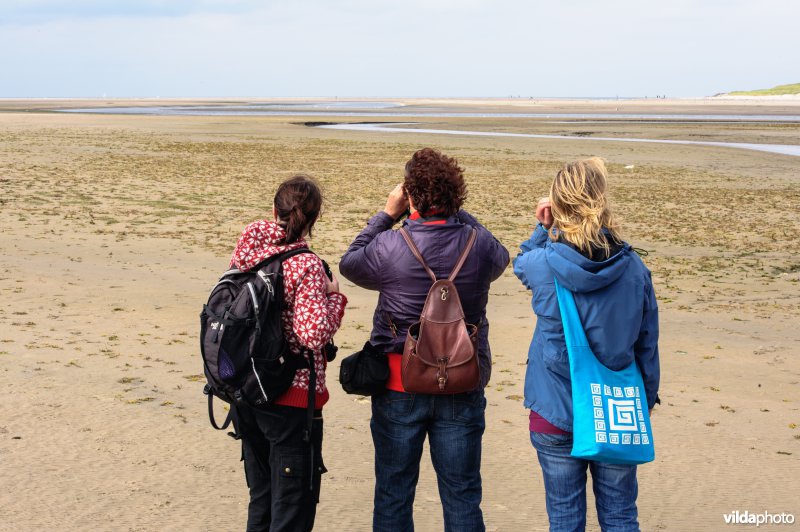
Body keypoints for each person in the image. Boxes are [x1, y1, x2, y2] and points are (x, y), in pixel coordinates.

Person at [339, 147, 509, 532]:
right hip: (462, 382)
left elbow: (350, 263)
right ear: (456, 195)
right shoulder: (477, 245)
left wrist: (386, 213)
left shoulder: (390, 246)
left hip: (400, 384)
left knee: (394, 494)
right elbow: (500, 255)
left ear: (410, 197)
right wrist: (456, 213)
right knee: (462, 495)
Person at [513, 157, 660, 532]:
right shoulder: (634, 270)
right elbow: (647, 344)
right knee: (621, 517)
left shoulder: (543, 264)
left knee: (564, 518)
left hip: (554, 409)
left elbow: (521, 263)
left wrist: (542, 227)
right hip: (615, 409)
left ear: (558, 207)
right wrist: (645, 399)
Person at [229, 175, 347, 532]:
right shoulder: (305, 264)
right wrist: (335, 299)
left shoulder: (246, 254)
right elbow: (312, 335)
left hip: (246, 390)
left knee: (261, 500)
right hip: (289, 400)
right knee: (292, 508)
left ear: (274, 209)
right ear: (313, 219)